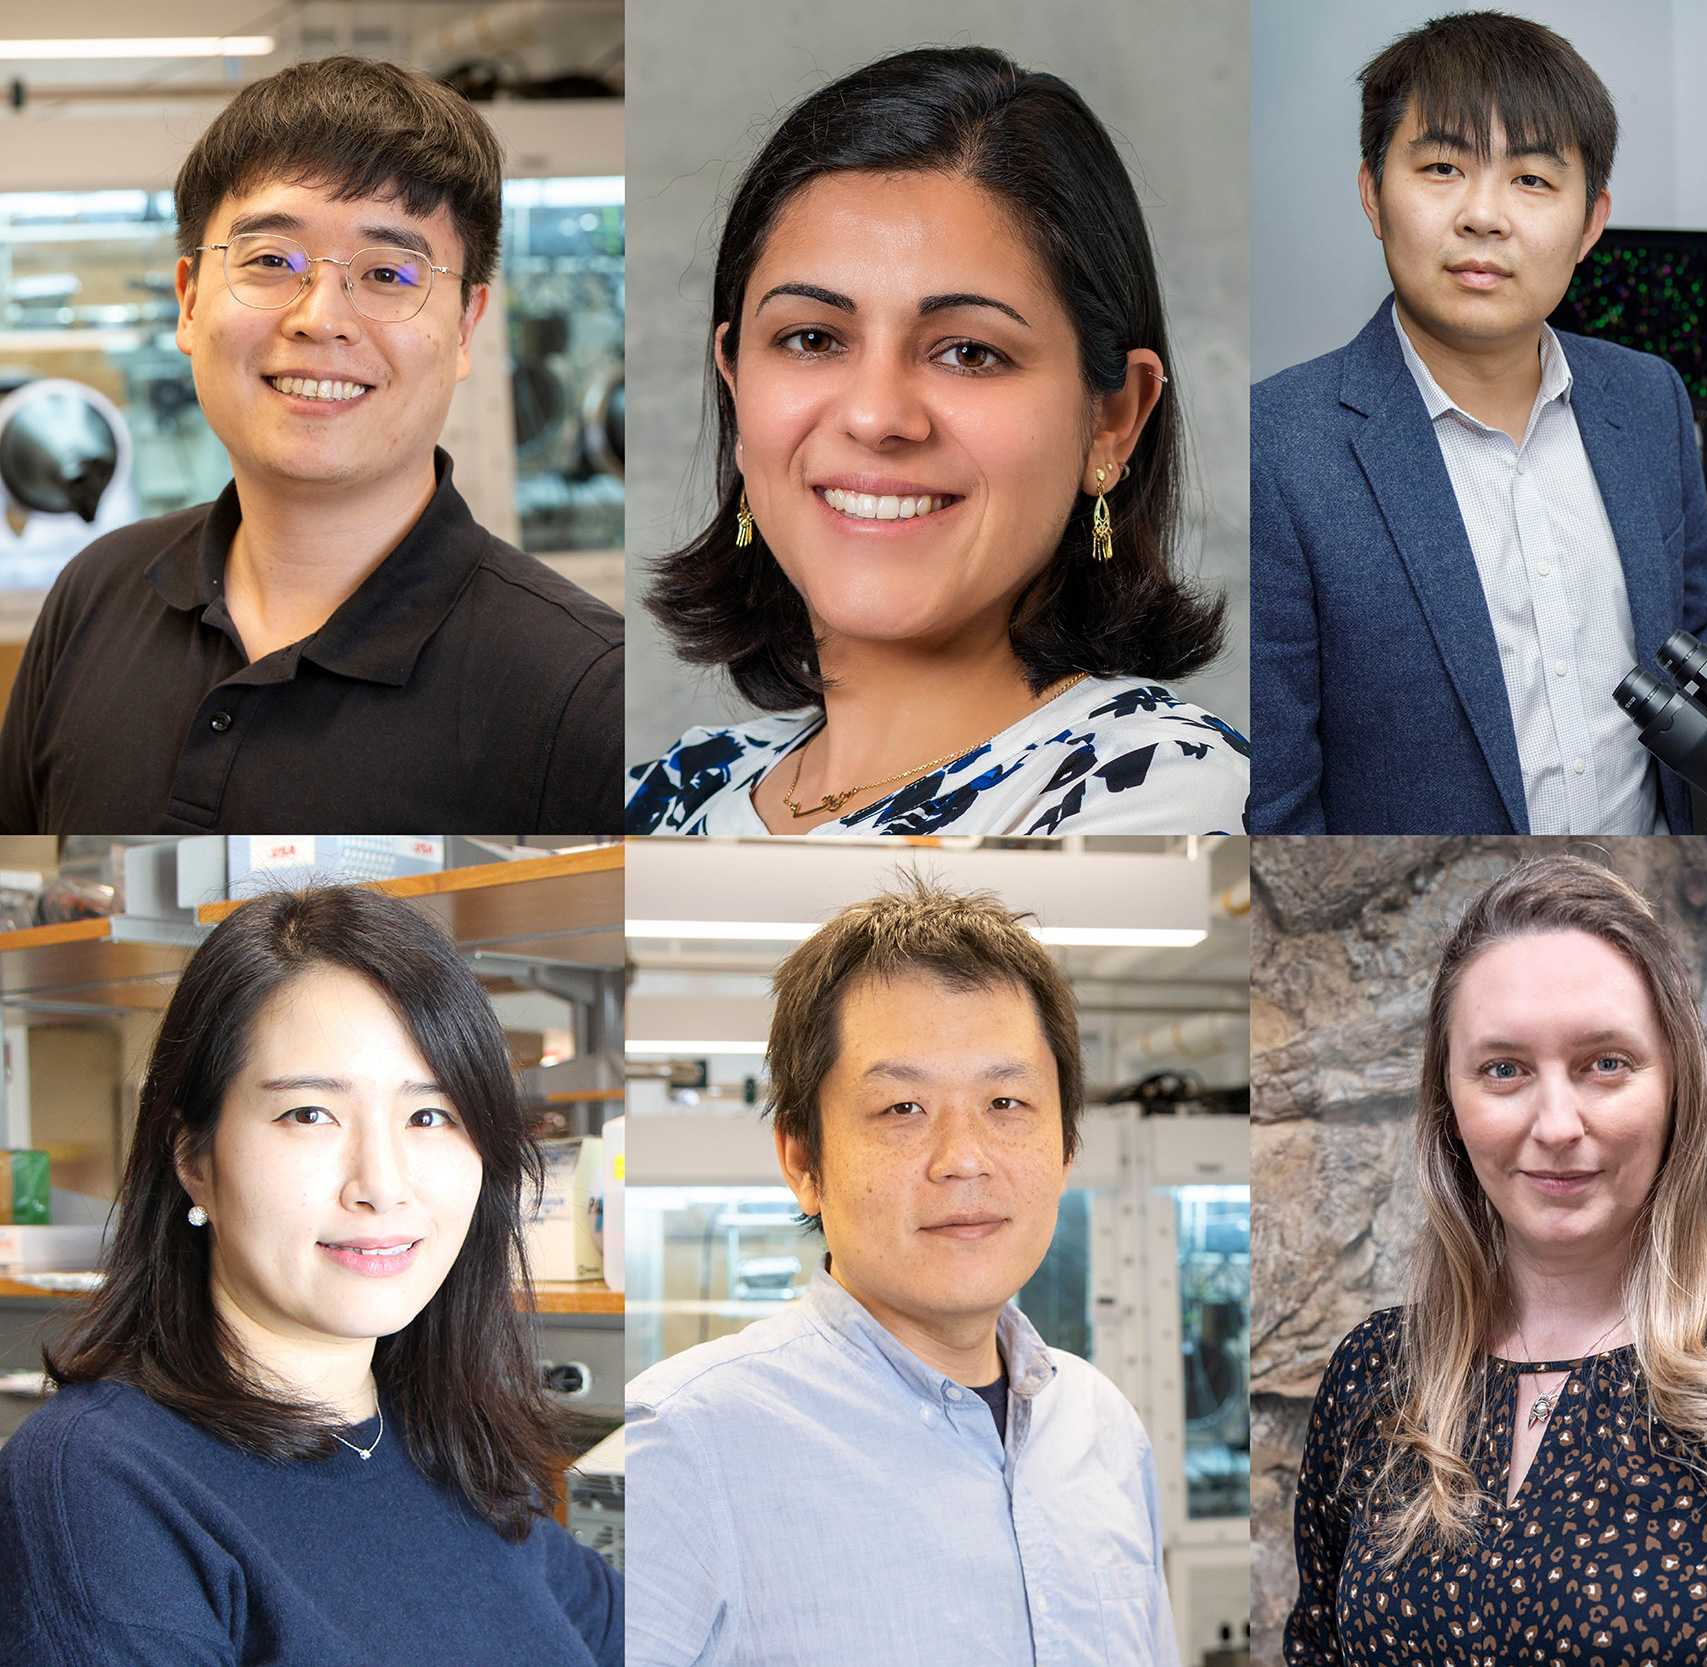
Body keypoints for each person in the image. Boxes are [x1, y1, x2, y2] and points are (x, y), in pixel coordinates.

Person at [1247, 12, 1707, 835]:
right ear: (1372, 193)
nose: (1484, 215)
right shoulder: (1281, 446)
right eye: (1441, 167)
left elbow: (1703, 628)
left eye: (1532, 181)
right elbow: (1282, 803)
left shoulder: (1646, 397)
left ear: (1591, 223)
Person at [628, 47, 1247, 836]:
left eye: (970, 352)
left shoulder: (1164, 795)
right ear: (735, 388)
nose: (878, 416)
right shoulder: (667, 790)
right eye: (813, 339)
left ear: (1112, 419)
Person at [0, 57, 625, 833]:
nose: (321, 316)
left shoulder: (591, 696)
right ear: (190, 300)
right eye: (270, 261)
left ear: (466, 327)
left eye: (390, 273)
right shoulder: (95, 595)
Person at [0, 885, 622, 1664]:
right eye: (309, 1114)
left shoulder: (454, 1444)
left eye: (430, 1115)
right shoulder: (100, 1485)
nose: (382, 1184)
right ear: (194, 1158)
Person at [1285, 855, 1707, 1664]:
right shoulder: (1376, 1373)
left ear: (1676, 1088)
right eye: (1504, 1069)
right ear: (1449, 1104)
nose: (1557, 1123)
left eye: (1605, 1063)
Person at [625, 879, 1178, 1666]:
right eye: (902, 1109)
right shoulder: (683, 1448)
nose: (964, 1158)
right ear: (803, 1159)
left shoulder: (1104, 1428)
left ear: (1066, 1146)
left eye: (1008, 1101)